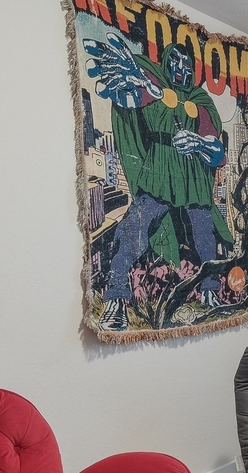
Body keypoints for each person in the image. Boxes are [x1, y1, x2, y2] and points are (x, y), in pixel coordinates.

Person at [83, 35, 231, 331]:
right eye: (174, 61)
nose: (181, 68)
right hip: (160, 169)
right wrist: (141, 84)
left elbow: (218, 152)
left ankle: (210, 291)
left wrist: (200, 143)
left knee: (204, 235)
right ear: (165, 64)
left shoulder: (200, 99)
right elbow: (137, 97)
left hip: (192, 176)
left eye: (186, 63)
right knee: (132, 230)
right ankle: (117, 298)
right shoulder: (155, 87)